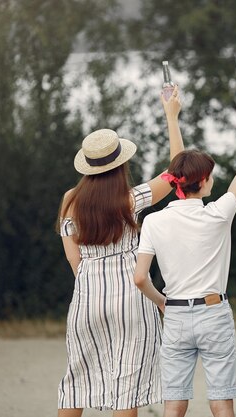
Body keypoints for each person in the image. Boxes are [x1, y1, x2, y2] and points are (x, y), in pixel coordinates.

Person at [132, 89, 236, 417]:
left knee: (174, 406)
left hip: (175, 315)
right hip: (213, 312)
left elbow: (139, 278)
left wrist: (162, 301)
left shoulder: (154, 221)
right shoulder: (217, 213)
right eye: (211, 177)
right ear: (203, 182)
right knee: (221, 403)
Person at [56, 87, 184, 417]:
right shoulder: (130, 198)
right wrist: (172, 116)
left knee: (75, 383)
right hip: (130, 297)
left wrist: (90, 283)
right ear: (120, 162)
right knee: (127, 389)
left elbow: (74, 258)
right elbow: (176, 173)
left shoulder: (70, 200)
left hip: (87, 298)